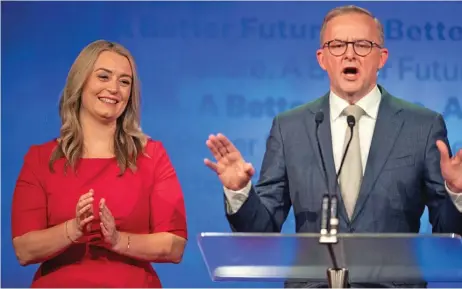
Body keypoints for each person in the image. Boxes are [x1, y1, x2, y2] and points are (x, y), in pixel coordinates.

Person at [204, 5, 462, 288]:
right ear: (322, 58)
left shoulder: (421, 126)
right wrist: (240, 191)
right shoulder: (290, 127)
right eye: (337, 45)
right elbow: (261, 230)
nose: (349, 54)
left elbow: (447, 236)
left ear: (382, 58)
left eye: (363, 45)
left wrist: (457, 193)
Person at [11, 40, 188, 288]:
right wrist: (72, 230)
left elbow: (174, 245)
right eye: (103, 77)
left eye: (124, 81)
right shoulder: (41, 159)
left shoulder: (152, 156)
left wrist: (117, 240)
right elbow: (24, 249)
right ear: (80, 83)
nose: (114, 88)